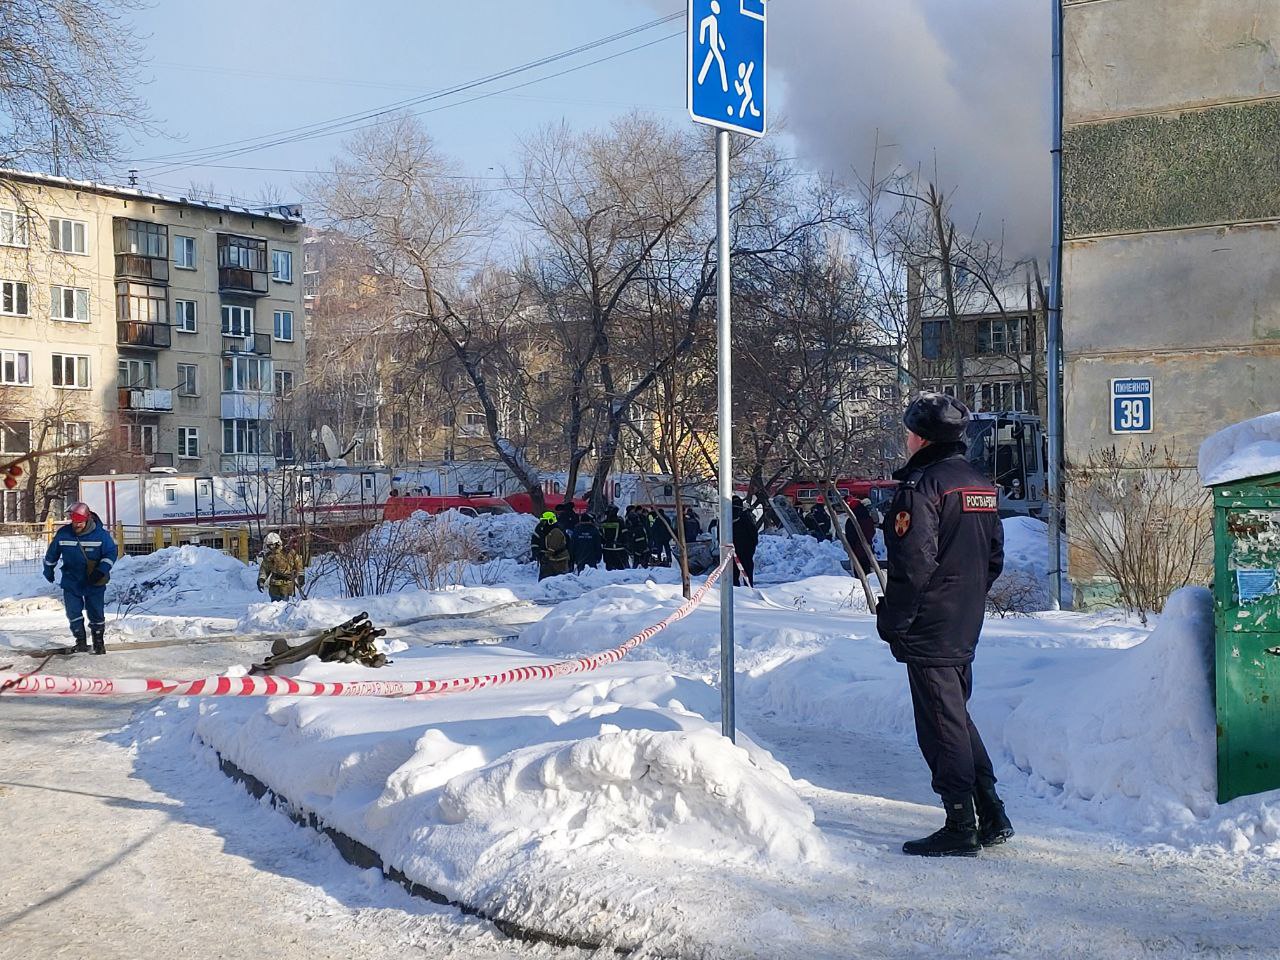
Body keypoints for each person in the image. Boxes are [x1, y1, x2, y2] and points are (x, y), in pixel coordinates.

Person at [877, 392, 1011, 857]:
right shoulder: (977, 482)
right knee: (954, 715)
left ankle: (960, 824)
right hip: (963, 617)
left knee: (940, 723)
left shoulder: (924, 485)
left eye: (908, 432)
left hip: (930, 620)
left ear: (920, 436)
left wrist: (894, 620)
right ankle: (990, 811)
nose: (906, 439)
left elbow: (912, 563)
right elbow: (994, 557)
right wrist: (966, 596)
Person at [43, 501, 117, 654]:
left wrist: (101, 570)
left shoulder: (101, 535)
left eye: (80, 522)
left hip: (93, 580)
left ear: (87, 519)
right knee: (73, 612)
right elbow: (52, 553)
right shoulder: (64, 533)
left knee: (96, 612)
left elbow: (111, 553)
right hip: (72, 580)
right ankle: (80, 641)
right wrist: (48, 568)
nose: (76, 525)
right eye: (74, 522)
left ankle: (98, 642)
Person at [257, 532, 304, 601]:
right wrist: (261, 580)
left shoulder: (289, 553)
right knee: (274, 607)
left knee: (286, 607)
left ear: (277, 544)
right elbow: (264, 569)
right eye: (268, 545)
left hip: (287, 586)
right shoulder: (269, 556)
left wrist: (301, 576)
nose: (269, 547)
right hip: (274, 587)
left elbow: (299, 565)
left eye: (270, 545)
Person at [845, 498, 878, 574]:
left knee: (859, 571)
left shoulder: (852, 520)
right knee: (867, 569)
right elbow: (872, 531)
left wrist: (851, 548)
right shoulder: (868, 518)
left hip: (856, 550)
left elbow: (850, 537)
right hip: (868, 548)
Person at [731, 496, 758, 587]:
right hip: (745, 550)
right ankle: (747, 590)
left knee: (734, 574)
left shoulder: (727, 517)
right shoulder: (746, 516)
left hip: (734, 549)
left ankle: (738, 590)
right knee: (746, 572)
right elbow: (754, 533)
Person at [541, 513, 572, 578]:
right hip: (555, 559)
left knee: (556, 581)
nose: (543, 524)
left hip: (560, 561)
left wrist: (545, 556)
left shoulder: (556, 532)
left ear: (550, 521)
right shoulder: (551, 531)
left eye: (544, 521)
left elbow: (552, 548)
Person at [600, 506, 629, 571]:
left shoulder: (603, 523)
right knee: (621, 570)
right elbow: (625, 536)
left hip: (607, 550)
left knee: (609, 571)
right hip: (619, 550)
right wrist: (625, 545)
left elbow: (601, 537)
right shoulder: (620, 522)